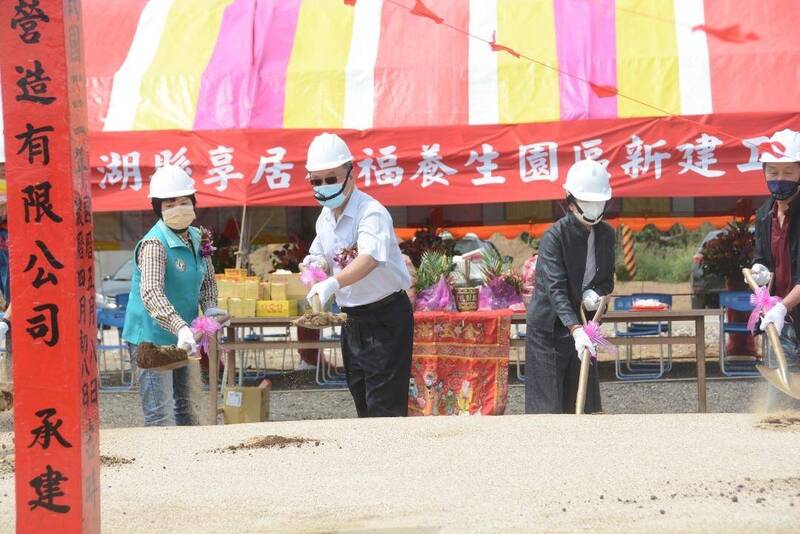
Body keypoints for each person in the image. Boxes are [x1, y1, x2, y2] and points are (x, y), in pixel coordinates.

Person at [301, 133, 413, 417]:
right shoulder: (324, 218)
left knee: (383, 405)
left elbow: (370, 258)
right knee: (361, 397)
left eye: (331, 178)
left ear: (351, 174)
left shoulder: (370, 212)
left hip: (386, 317)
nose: (324, 186)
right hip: (353, 320)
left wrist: (333, 283)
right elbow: (320, 256)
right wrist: (313, 267)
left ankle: (390, 458)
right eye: (317, 180)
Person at [122, 165, 224, 426]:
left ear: (193, 202)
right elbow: (151, 292)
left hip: (186, 335)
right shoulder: (155, 244)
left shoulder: (197, 236)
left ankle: (189, 462)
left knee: (187, 408)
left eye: (183, 201)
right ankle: (161, 465)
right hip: (151, 338)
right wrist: (179, 327)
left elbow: (207, 278)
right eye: (169, 204)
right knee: (160, 413)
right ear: (158, 208)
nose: (178, 207)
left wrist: (210, 308)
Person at [525, 159, 615, 414]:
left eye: (599, 202)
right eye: (587, 202)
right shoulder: (555, 236)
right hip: (548, 330)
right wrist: (575, 329)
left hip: (585, 326)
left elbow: (607, 279)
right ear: (570, 199)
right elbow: (555, 289)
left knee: (583, 403)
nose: (593, 209)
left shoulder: (606, 235)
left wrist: (595, 294)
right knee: (549, 409)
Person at [749, 128, 800, 410]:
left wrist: (784, 306)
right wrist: (760, 269)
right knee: (782, 382)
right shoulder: (764, 213)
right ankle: (773, 421)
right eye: (773, 172)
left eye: (788, 172)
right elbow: (763, 257)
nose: (780, 179)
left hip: (789, 308)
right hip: (781, 313)